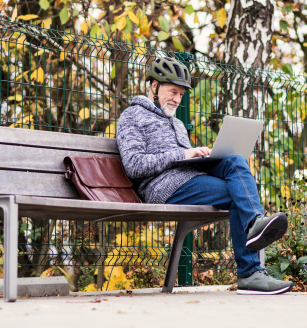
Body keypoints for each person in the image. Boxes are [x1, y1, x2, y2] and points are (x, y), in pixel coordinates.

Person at [116, 56, 292, 295]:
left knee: (235, 160)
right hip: (162, 187)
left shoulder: (176, 123)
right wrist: (182, 153)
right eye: (173, 91)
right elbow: (134, 166)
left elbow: (182, 159)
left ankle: (254, 225)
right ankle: (250, 273)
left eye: (181, 94)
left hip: (189, 177)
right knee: (236, 193)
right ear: (155, 86)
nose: (178, 99)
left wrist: (202, 156)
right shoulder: (132, 116)